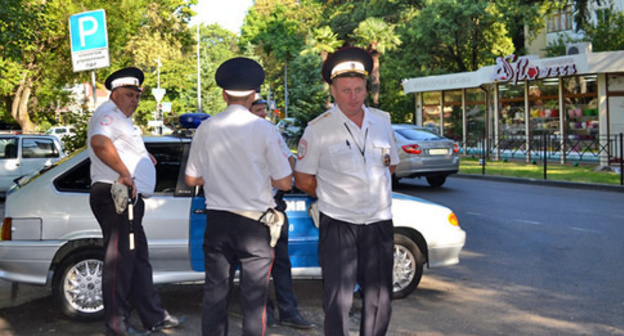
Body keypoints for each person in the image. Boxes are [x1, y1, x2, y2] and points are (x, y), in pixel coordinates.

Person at [294, 47, 400, 336]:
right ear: (333, 91)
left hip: (378, 221)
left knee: (379, 297)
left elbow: (390, 167)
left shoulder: (382, 121)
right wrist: (333, 194)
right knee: (337, 298)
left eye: (358, 89)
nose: (352, 97)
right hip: (339, 222)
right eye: (345, 90)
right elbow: (303, 179)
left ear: (366, 88)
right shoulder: (318, 130)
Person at [184, 57, 293, 336]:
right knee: (254, 302)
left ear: (223, 94)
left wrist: (220, 175)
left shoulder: (205, 128)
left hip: (218, 221)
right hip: (254, 224)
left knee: (214, 295)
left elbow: (192, 179)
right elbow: (284, 181)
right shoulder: (266, 130)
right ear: (254, 94)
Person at [88, 67, 185, 336]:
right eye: (129, 95)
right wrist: (125, 173)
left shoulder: (120, 119)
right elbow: (99, 143)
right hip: (116, 197)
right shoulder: (108, 114)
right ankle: (117, 326)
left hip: (127, 200)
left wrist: (144, 157)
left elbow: (119, 146)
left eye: (137, 96)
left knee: (138, 260)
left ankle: (154, 316)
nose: (135, 100)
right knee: (119, 263)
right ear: (115, 94)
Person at [249, 93, 314, 330]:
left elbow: (289, 158)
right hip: (253, 209)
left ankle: (288, 311)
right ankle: (265, 315)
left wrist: (295, 171)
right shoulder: (243, 135)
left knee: (281, 263)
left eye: (264, 110)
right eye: (258, 110)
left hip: (276, 206)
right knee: (258, 266)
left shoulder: (271, 132)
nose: (264, 114)